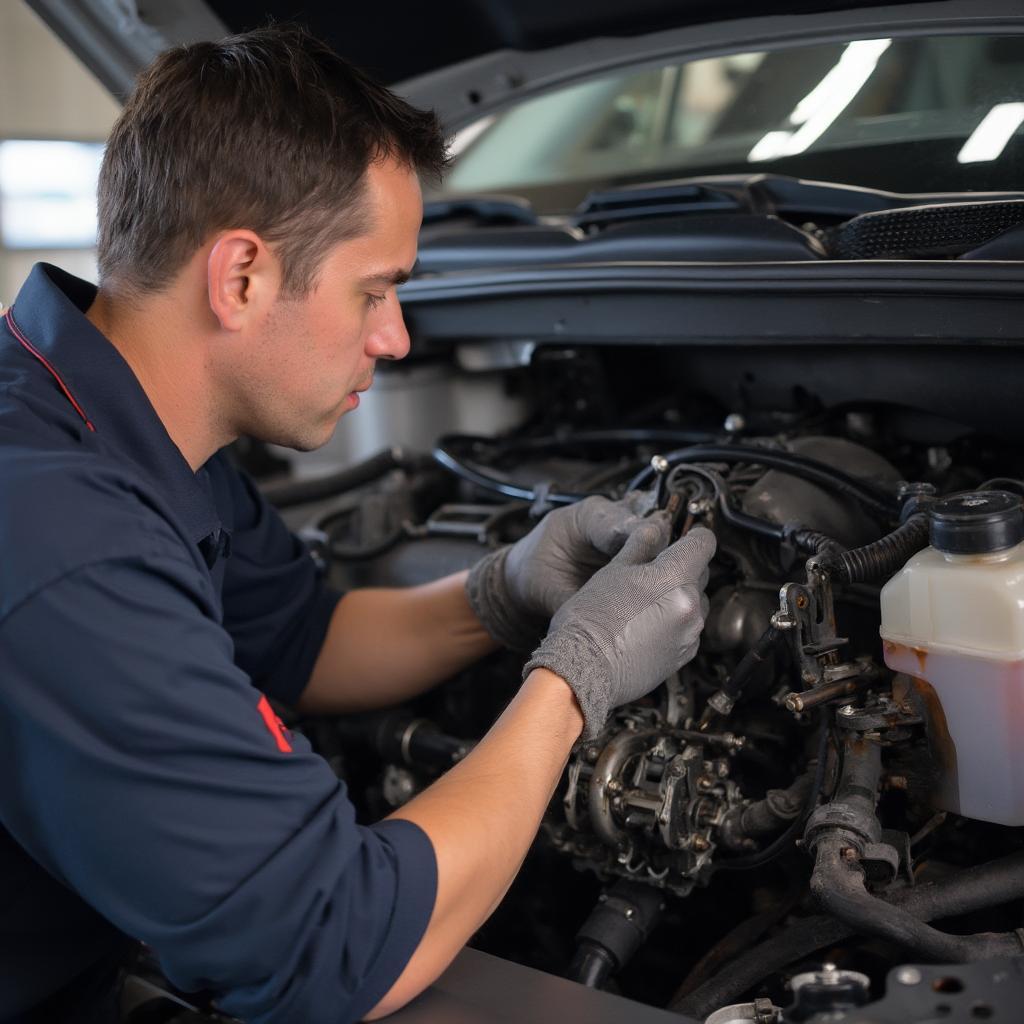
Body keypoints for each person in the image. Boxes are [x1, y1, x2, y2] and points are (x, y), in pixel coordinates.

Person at [0, 25, 715, 1024]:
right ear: (241, 276)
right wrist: (576, 677)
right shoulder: (60, 532)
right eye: (373, 290)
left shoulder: (107, 410)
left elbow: (298, 638)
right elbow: (332, 948)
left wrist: (503, 592)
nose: (395, 337)